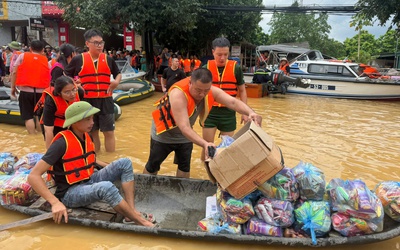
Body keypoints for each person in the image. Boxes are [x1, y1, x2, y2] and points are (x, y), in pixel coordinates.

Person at [28, 101, 155, 227]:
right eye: (88, 119)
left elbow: (87, 160)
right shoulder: (61, 143)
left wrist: (112, 168)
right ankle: (142, 222)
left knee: (124, 163)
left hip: (88, 179)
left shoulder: (86, 136)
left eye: (92, 118)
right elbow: (33, 176)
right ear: (76, 122)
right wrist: (55, 203)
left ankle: (131, 213)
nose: (92, 122)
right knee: (106, 187)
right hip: (70, 193)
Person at [143, 68, 262, 178]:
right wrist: (205, 144)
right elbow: (184, 127)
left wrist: (250, 112)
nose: (202, 94)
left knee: (184, 168)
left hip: (186, 137)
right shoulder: (178, 94)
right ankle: (145, 190)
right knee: (153, 165)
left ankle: (181, 194)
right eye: (198, 90)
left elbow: (233, 103)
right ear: (190, 83)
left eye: (206, 90)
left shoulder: (210, 91)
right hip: (164, 134)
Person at [65, 28, 121, 152]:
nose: (99, 46)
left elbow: (118, 74)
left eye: (101, 42)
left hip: (106, 100)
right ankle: (95, 159)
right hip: (88, 101)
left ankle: (110, 160)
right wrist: (75, 86)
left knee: (109, 132)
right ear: (87, 43)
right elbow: (66, 74)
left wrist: (116, 82)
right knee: (93, 132)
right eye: (96, 43)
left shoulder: (108, 59)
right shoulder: (78, 59)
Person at [202, 37, 248, 157]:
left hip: (228, 113)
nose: (222, 58)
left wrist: (245, 112)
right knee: (207, 146)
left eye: (225, 54)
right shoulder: (205, 68)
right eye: (219, 54)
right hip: (209, 113)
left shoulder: (236, 68)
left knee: (228, 149)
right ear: (213, 52)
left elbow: (242, 91)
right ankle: (204, 172)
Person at [10, 40, 50, 134]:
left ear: (30, 48)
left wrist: (13, 88)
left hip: (25, 91)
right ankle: (40, 138)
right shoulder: (46, 60)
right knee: (38, 116)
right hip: (41, 92)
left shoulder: (23, 56)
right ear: (42, 50)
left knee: (28, 116)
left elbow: (14, 72)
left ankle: (32, 137)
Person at [39, 76, 82, 149]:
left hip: (67, 118)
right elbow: (48, 130)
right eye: (67, 92)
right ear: (59, 93)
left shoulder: (79, 92)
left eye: (73, 90)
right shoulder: (50, 101)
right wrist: (49, 155)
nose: (72, 94)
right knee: (57, 147)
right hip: (53, 121)